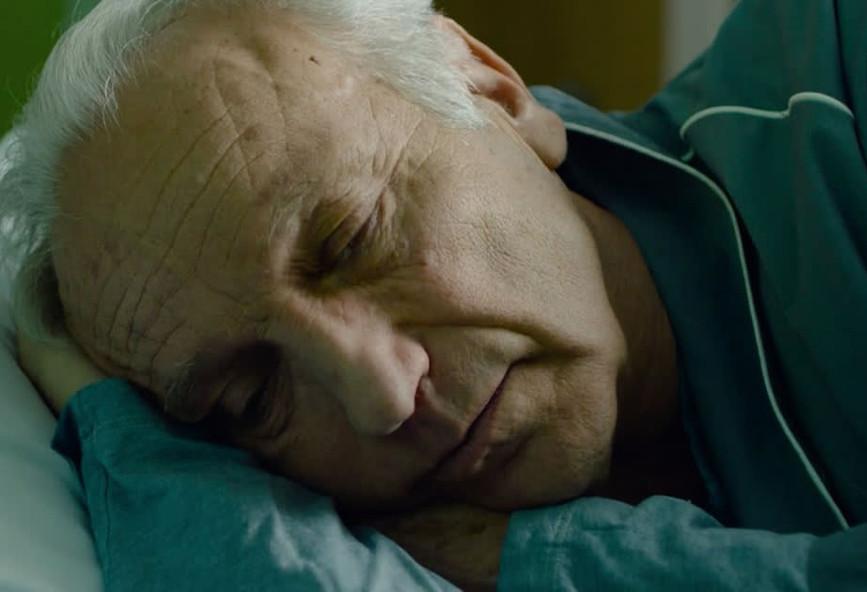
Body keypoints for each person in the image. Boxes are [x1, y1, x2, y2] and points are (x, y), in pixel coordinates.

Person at [4, 0, 866, 589]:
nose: (379, 395)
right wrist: (122, 433)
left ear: (489, 88)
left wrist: (532, 563)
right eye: (253, 397)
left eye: (352, 241)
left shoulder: (836, 64)